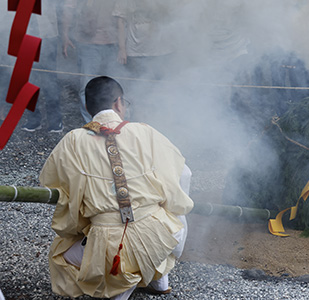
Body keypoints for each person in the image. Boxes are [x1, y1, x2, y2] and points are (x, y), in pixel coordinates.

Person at [40, 76, 193, 299]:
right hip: (161, 237)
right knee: (170, 209)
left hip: (108, 246)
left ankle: (120, 285)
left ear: (86, 106)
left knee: (60, 255)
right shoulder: (145, 132)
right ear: (119, 103)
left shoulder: (73, 140)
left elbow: (51, 182)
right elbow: (184, 174)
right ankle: (159, 281)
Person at [62, 0, 120, 124]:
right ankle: (91, 124)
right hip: (87, 42)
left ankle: (113, 123)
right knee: (86, 86)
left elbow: (124, 15)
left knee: (114, 85)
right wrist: (65, 35)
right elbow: (68, 8)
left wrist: (123, 46)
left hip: (112, 41)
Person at [18, 0, 63, 132]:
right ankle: (33, 119)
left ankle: (55, 121)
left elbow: (62, 8)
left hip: (47, 36)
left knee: (50, 81)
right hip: (25, 37)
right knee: (28, 80)